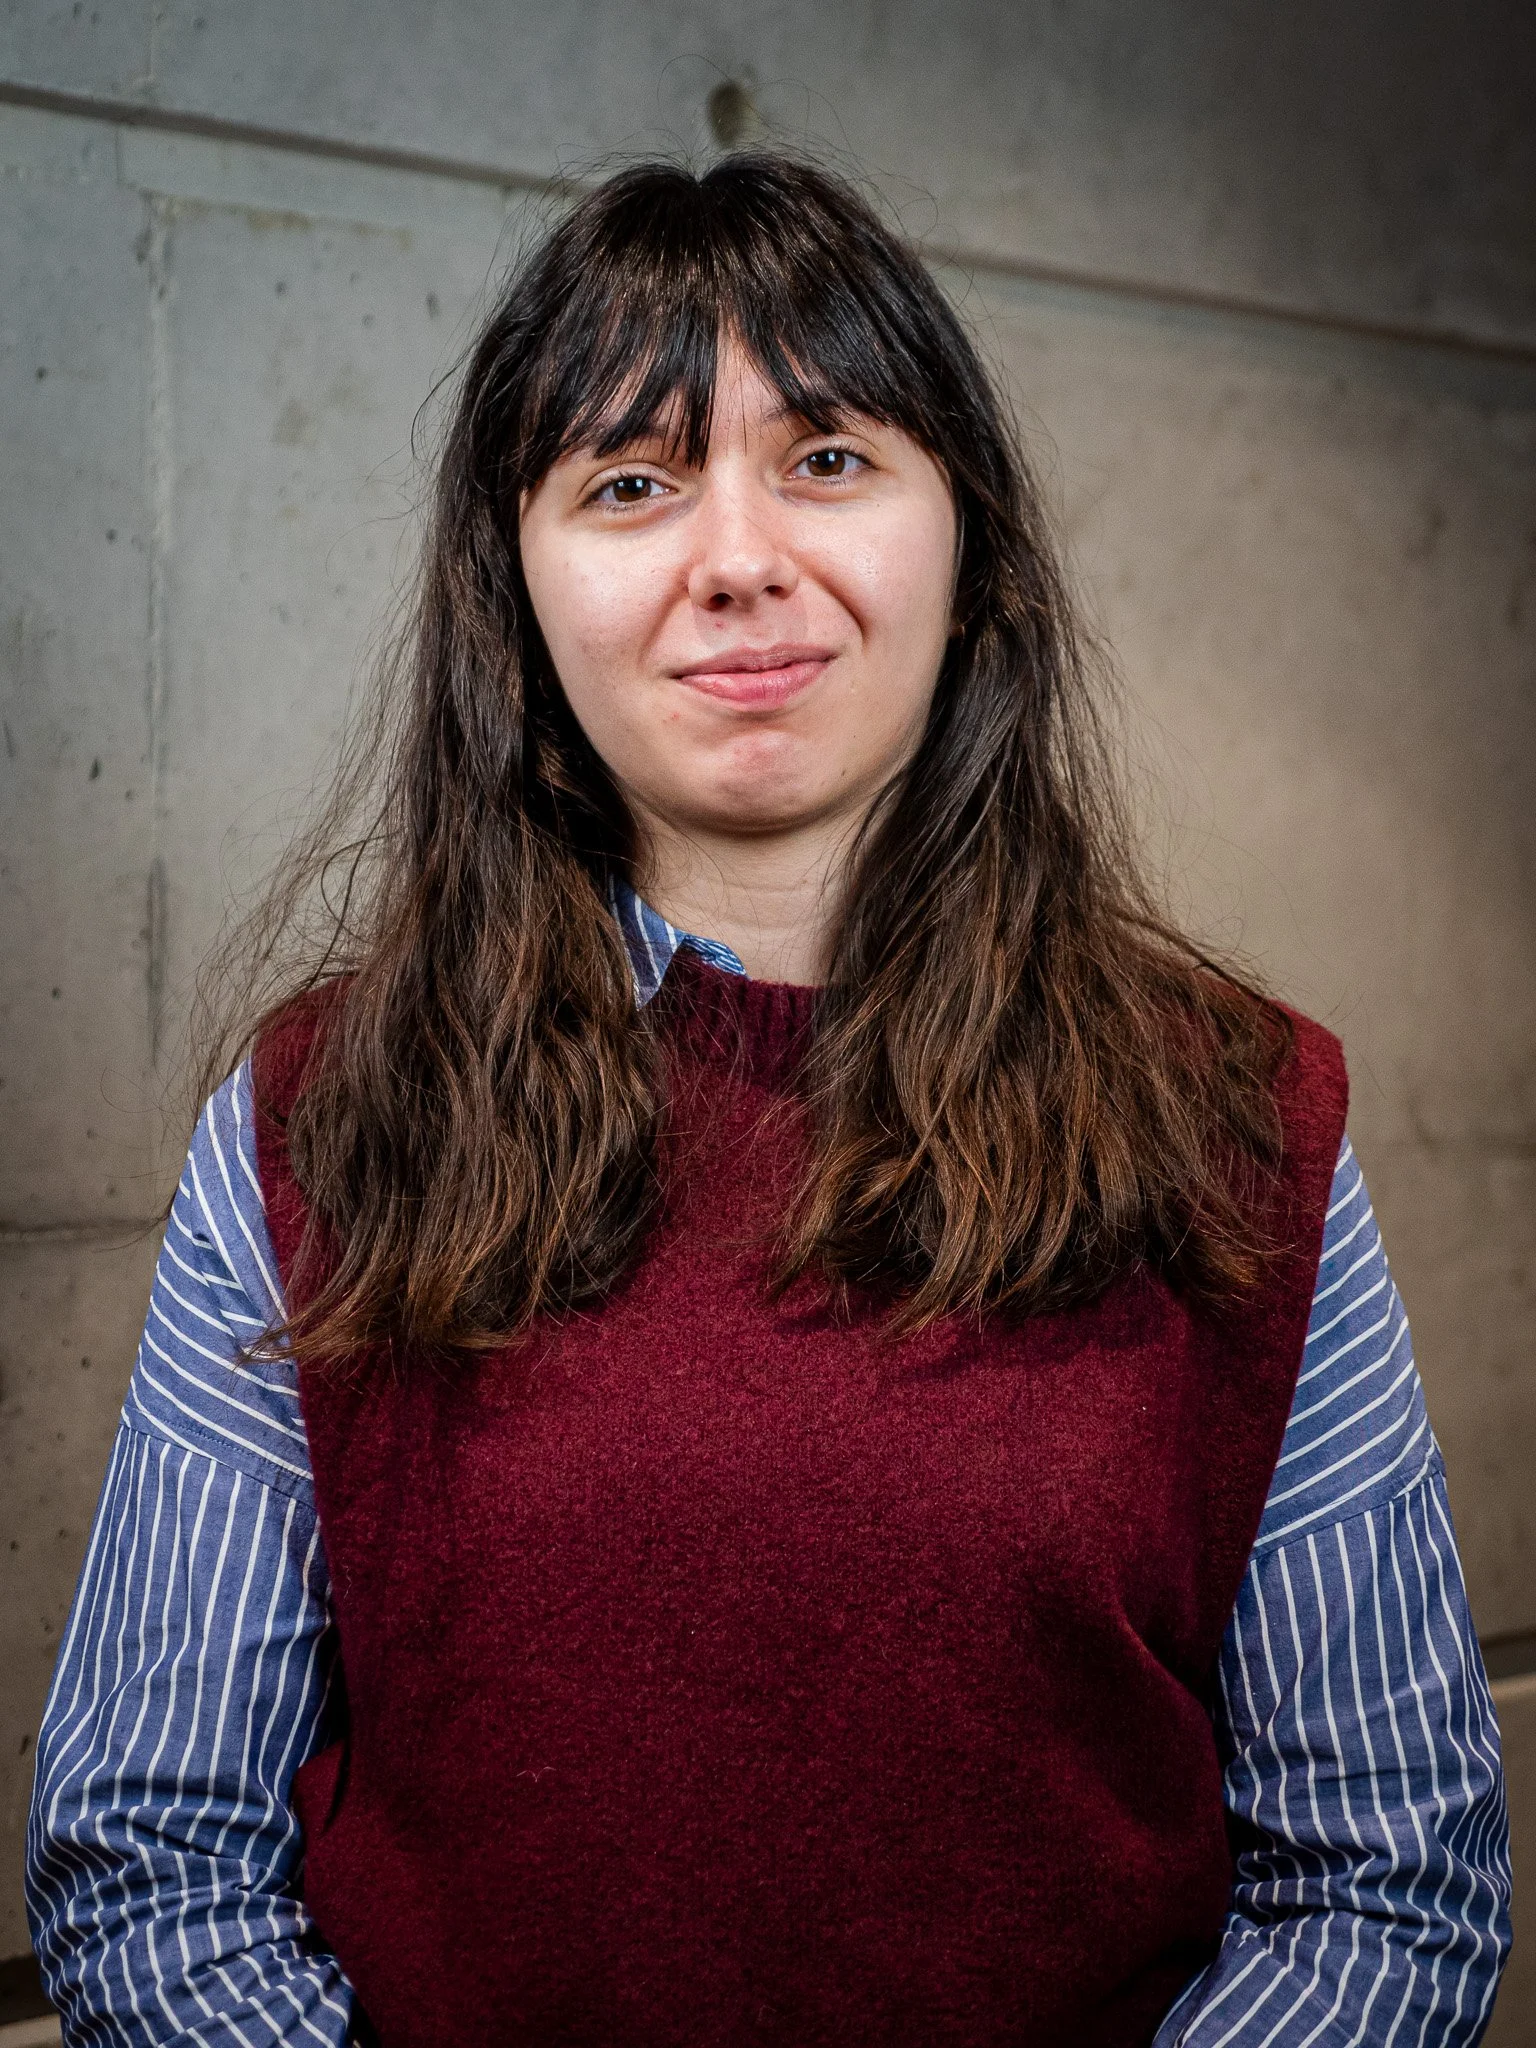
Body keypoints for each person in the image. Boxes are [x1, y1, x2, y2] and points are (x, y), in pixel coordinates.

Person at [26, 155, 1511, 2047]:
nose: (737, 556)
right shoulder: (322, 1120)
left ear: (970, 555)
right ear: (518, 599)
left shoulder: (1235, 1121)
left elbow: (1389, 1882)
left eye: (827, 458)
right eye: (632, 483)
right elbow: (151, 1862)